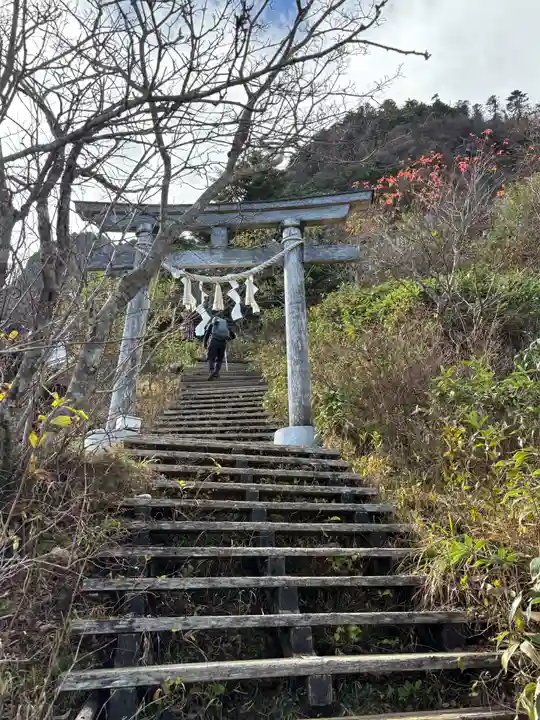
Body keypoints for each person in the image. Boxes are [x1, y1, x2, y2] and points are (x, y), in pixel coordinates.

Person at [203, 312, 236, 380]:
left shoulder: (212, 324)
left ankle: (211, 371)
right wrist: (227, 339)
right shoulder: (225, 326)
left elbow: (207, 334)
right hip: (223, 343)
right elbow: (233, 336)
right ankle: (217, 372)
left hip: (214, 341)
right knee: (219, 359)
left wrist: (205, 343)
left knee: (211, 357)